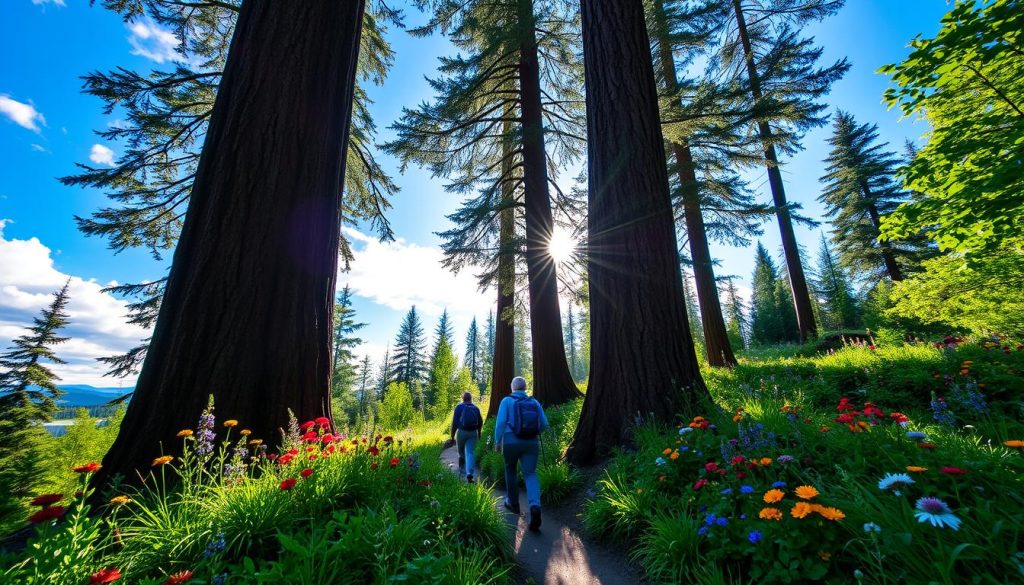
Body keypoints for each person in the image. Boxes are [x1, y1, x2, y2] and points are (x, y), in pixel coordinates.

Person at [494, 376, 549, 531]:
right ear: (525, 388)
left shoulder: (506, 401)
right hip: (531, 442)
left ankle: (513, 502)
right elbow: (544, 424)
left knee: (510, 469)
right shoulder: (534, 402)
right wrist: (533, 433)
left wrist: (497, 442)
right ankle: (535, 506)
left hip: (510, 441)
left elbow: (500, 423)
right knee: (530, 474)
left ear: (512, 388)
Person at [450, 391, 483, 483]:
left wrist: (452, 436)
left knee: (461, 451)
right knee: (470, 452)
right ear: (471, 398)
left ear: (463, 398)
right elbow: (480, 421)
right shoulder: (476, 408)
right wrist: (479, 432)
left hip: (461, 432)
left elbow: (455, 423)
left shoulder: (459, 407)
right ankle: (470, 474)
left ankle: (462, 470)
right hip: (473, 433)